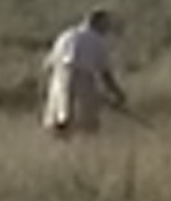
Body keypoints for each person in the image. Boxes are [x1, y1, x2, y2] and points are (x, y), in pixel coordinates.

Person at [42, 7, 127, 137]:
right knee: (87, 122)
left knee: (61, 119)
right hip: (82, 77)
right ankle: (84, 145)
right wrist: (118, 94)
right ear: (99, 23)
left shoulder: (65, 35)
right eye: (106, 25)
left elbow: (48, 65)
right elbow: (105, 74)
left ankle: (59, 141)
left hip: (58, 78)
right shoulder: (97, 40)